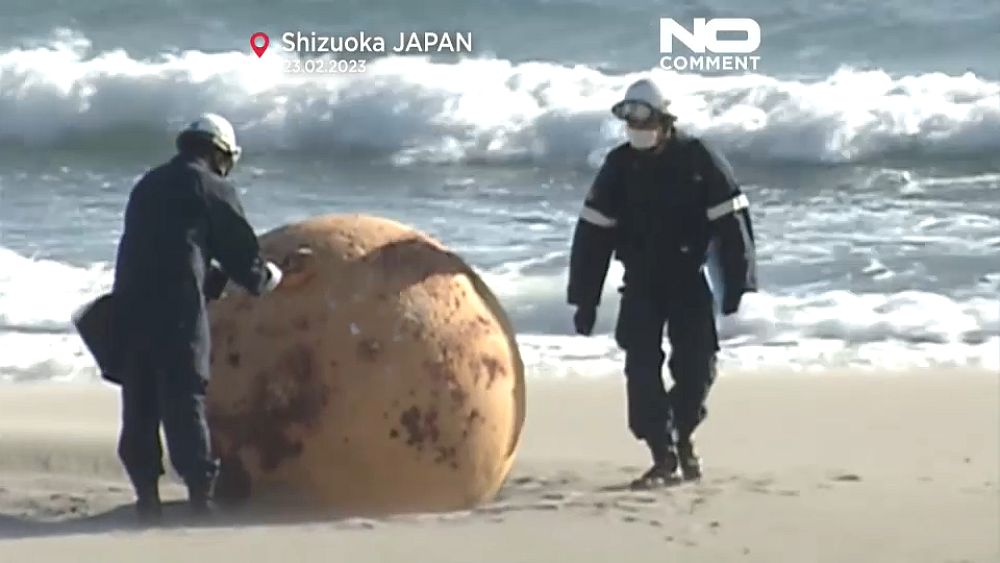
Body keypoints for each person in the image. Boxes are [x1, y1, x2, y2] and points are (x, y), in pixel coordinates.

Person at [566, 78, 757, 488]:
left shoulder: (699, 158)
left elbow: (732, 223)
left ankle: (679, 436)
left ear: (666, 120)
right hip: (640, 284)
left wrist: (738, 283)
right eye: (629, 120)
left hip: (688, 280)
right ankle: (663, 454)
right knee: (641, 368)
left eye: (644, 118)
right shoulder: (618, 166)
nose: (636, 127)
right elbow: (592, 234)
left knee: (698, 368)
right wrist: (584, 299)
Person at [111, 113, 283, 520]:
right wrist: (265, 277)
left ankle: (147, 500)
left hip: (130, 305)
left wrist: (214, 280)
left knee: (140, 400)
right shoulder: (211, 186)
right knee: (184, 395)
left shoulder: (148, 184)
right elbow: (241, 252)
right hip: (177, 309)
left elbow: (173, 249)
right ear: (219, 152)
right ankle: (200, 500)